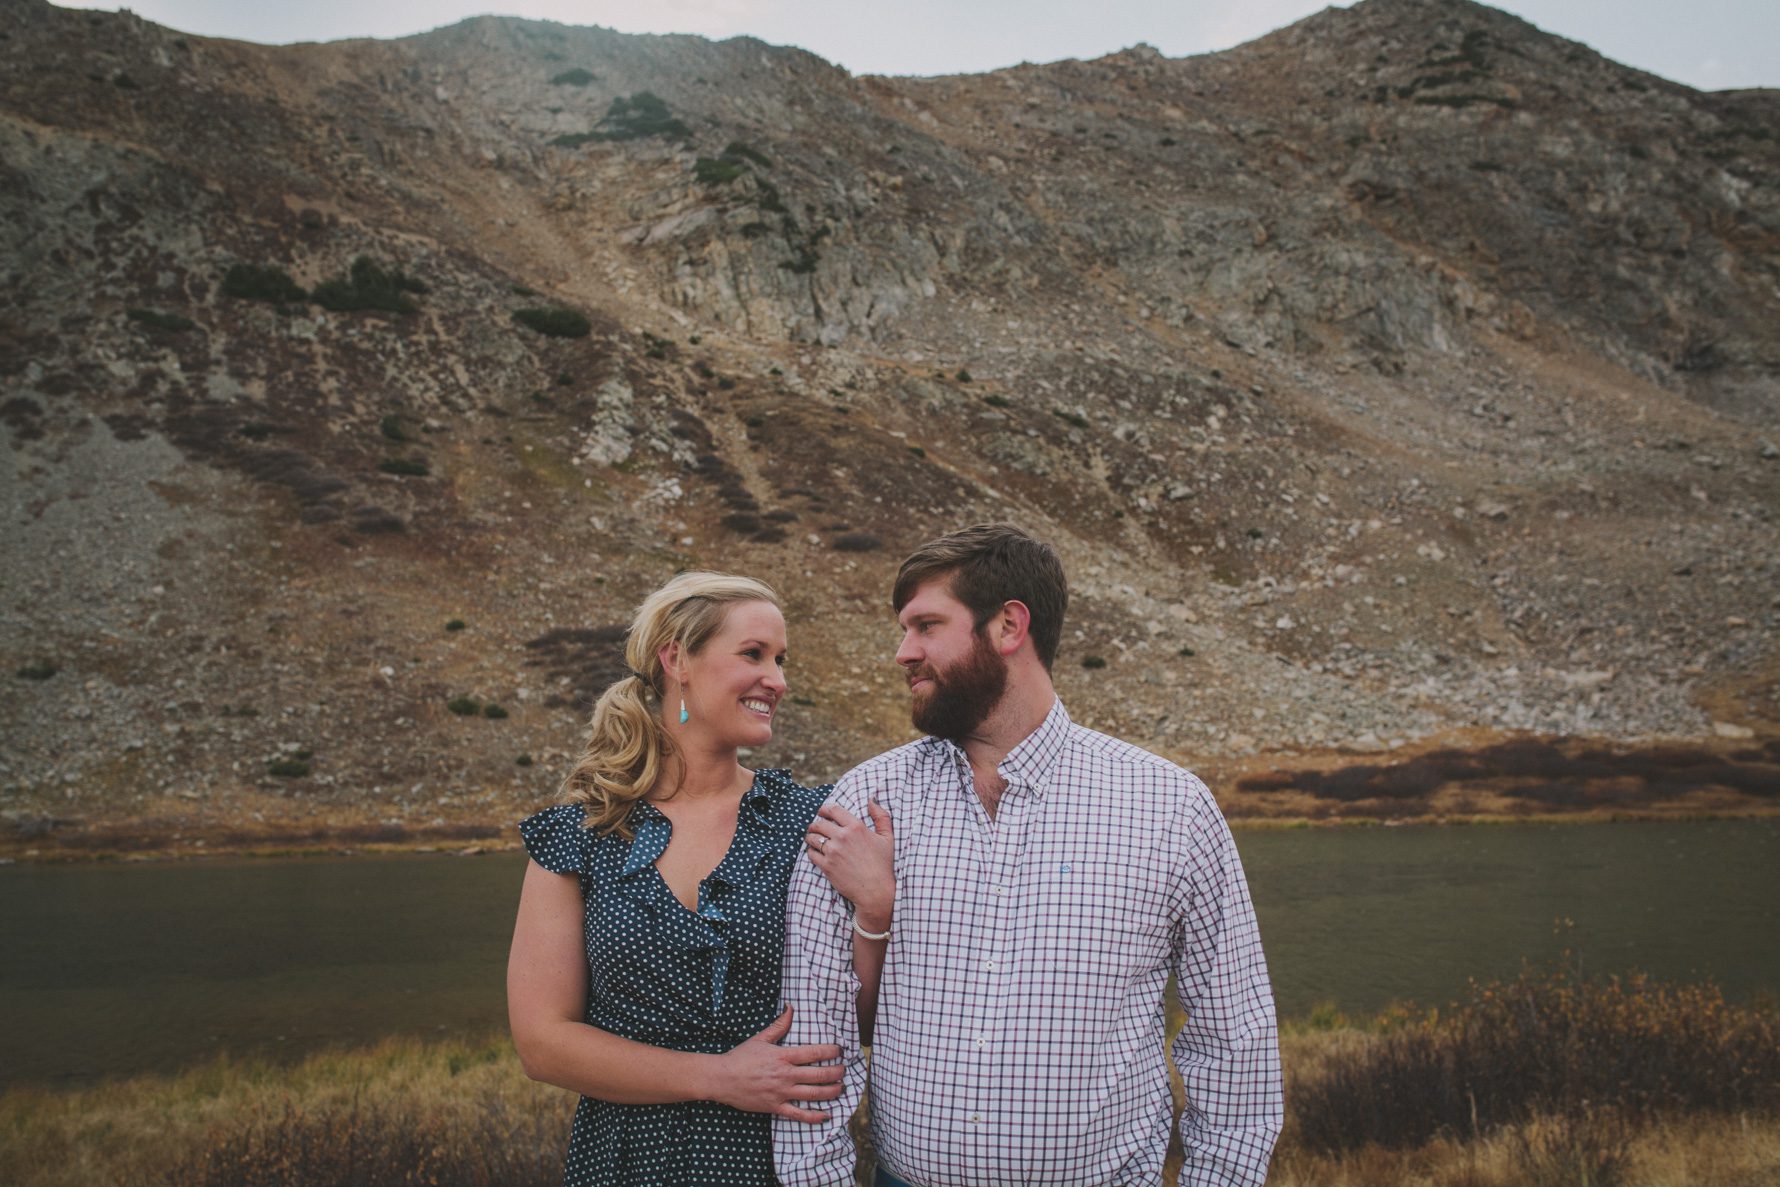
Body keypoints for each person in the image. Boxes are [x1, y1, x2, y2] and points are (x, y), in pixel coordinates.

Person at [776, 524, 1283, 1187]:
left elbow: (1233, 1036)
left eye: (926, 625)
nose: (903, 652)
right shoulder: (865, 799)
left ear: (1010, 625)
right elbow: (816, 1032)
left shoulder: (1169, 806)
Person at [508, 572, 895, 1187]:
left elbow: (870, 1021)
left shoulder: (810, 821)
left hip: (780, 1163)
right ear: (676, 660)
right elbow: (541, 1042)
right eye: (753, 654)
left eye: (781, 659)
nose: (778, 679)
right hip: (623, 1163)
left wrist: (875, 911)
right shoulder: (580, 835)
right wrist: (718, 1076)